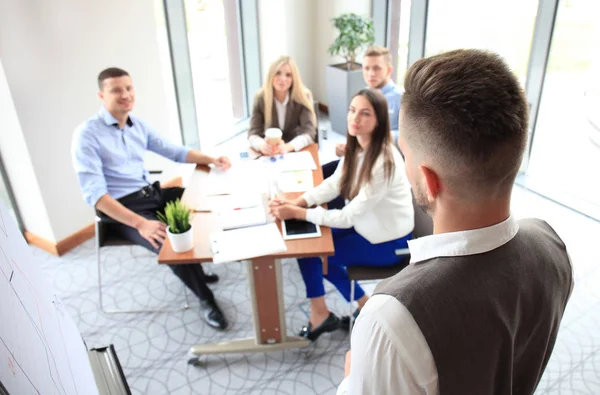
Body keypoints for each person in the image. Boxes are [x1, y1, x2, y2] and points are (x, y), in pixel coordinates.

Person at [337, 50, 574, 394]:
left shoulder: (391, 318)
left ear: (429, 182)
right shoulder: (553, 245)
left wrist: (351, 379)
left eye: (406, 153)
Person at [72, 67, 231, 330]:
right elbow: (96, 196)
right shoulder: (87, 135)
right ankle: (206, 299)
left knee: (202, 200)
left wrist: (211, 159)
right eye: (116, 90)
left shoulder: (137, 124)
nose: (125, 95)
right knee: (170, 242)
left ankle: (198, 268)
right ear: (101, 95)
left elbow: (174, 151)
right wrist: (140, 224)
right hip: (123, 211)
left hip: (151, 194)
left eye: (129, 88)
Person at [269, 89, 414, 341]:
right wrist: (299, 200)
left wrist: (299, 213)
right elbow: (334, 184)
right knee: (309, 248)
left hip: (389, 242)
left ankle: (324, 316)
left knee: (314, 253)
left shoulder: (384, 161)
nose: (354, 118)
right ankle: (354, 305)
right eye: (352, 110)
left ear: (378, 120)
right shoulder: (358, 146)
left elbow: (346, 216)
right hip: (365, 225)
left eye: (365, 113)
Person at [323, 45, 403, 209]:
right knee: (320, 175)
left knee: (334, 194)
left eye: (376, 68)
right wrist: (349, 146)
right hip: (359, 157)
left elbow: (408, 136)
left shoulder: (401, 98)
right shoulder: (363, 94)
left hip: (380, 165)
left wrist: (380, 135)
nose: (371, 73)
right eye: (366, 68)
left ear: (389, 69)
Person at [248, 56, 316, 156]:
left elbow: (309, 132)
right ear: (271, 74)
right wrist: (262, 145)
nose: (283, 79)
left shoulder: (303, 96)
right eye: (278, 73)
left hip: (295, 150)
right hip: (269, 152)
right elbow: (253, 133)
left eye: (288, 75)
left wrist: (288, 147)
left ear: (294, 78)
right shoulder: (260, 97)